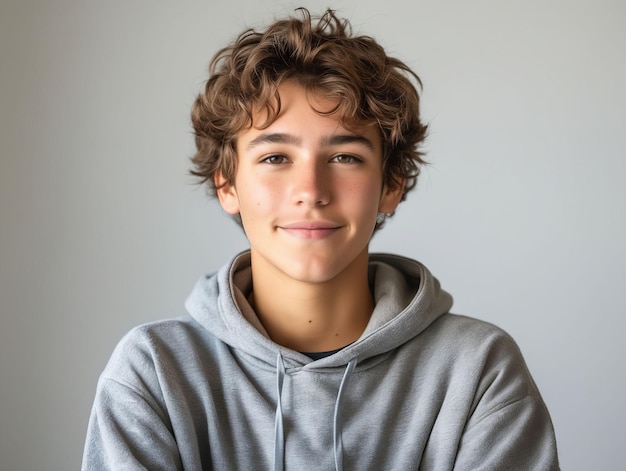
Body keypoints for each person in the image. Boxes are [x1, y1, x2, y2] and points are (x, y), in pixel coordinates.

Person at [82, 8, 559, 470]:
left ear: (390, 184)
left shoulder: (478, 370)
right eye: (275, 158)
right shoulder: (155, 372)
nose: (311, 191)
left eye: (345, 157)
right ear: (227, 184)